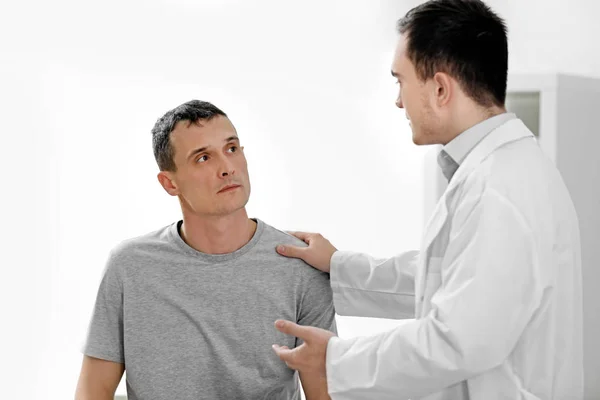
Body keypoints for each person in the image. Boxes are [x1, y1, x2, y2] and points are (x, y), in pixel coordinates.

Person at [271, 0, 584, 399]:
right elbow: (455, 281)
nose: (398, 101)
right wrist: (338, 267)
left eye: (400, 81)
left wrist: (334, 363)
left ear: (439, 88)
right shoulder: (504, 169)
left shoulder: (498, 189)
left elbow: (459, 340)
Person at [75, 100, 336, 400]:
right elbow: (92, 391)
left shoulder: (301, 264)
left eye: (232, 149)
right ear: (169, 183)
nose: (226, 168)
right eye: (203, 158)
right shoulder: (129, 267)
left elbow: (324, 394)